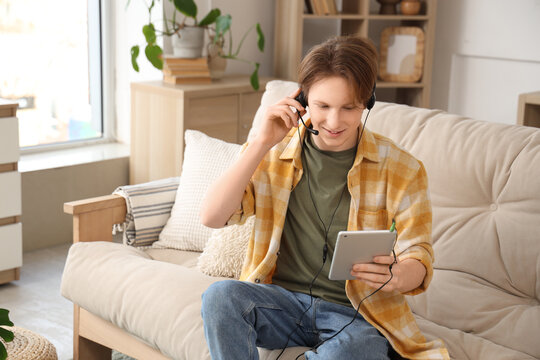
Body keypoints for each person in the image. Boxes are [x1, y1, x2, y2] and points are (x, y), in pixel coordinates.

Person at [200, 35, 449, 360]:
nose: (334, 121)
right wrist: (261, 142)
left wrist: (399, 275)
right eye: (323, 106)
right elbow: (212, 216)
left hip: (358, 312)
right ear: (302, 100)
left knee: (357, 348)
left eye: (349, 107)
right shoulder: (274, 153)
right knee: (220, 298)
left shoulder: (402, 168)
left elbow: (419, 251)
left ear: (367, 101)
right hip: (281, 303)